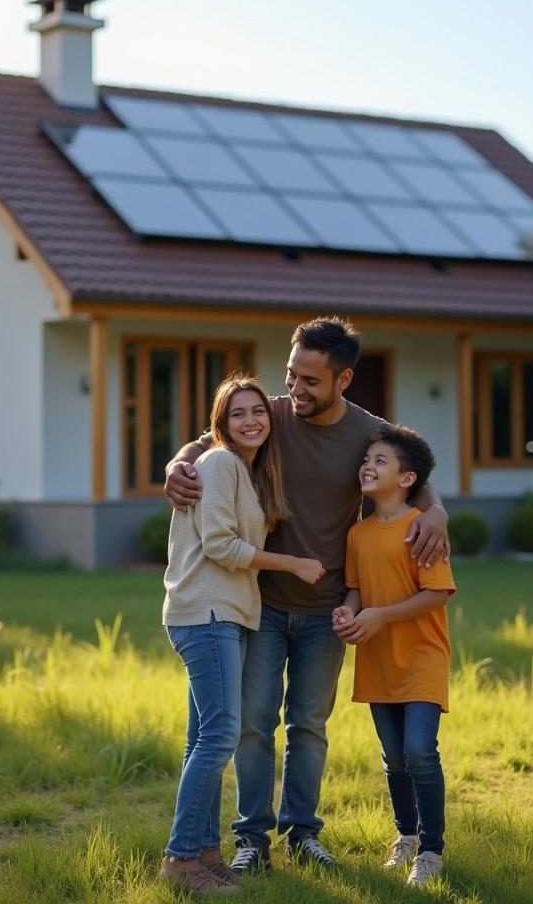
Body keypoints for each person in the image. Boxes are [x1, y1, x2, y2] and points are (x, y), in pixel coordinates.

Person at [164, 317, 450, 874]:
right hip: (260, 602)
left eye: (310, 381)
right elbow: (207, 442)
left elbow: (413, 467)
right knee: (251, 723)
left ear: (343, 380)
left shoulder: (367, 432)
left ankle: (302, 832)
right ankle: (252, 838)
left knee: (309, 727)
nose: (295, 390)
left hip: (328, 610)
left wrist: (435, 509)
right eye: (291, 375)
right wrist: (176, 463)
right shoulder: (268, 414)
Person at [160, 375, 325, 896]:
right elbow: (221, 547)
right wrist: (294, 563)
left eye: (258, 411)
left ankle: (207, 852)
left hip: (222, 613)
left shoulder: (247, 471)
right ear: (221, 424)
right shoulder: (220, 463)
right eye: (237, 413)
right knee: (220, 736)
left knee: (202, 739)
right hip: (206, 613)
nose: (251, 419)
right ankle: (181, 859)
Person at [332, 423, 456, 888]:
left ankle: (431, 850)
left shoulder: (422, 529)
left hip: (423, 655)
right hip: (378, 658)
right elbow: (356, 590)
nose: (367, 465)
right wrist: (347, 614)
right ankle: (405, 836)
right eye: (367, 459)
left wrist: (381, 615)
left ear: (407, 479)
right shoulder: (358, 535)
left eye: (380, 461)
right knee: (394, 758)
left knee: (420, 752)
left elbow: (437, 594)